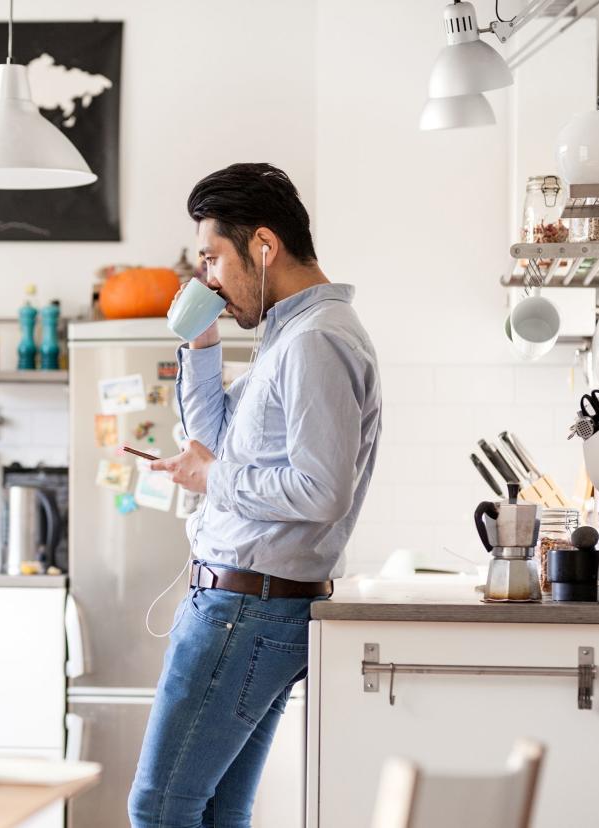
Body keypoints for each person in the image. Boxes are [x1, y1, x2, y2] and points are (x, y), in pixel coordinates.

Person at [127, 163, 382, 828]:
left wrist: (211, 480)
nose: (209, 277)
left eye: (213, 258)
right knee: (214, 811)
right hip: (247, 604)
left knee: (158, 809)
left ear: (263, 246)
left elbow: (320, 490)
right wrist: (201, 344)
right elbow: (210, 439)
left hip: (245, 608)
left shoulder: (316, 339)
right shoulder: (289, 337)